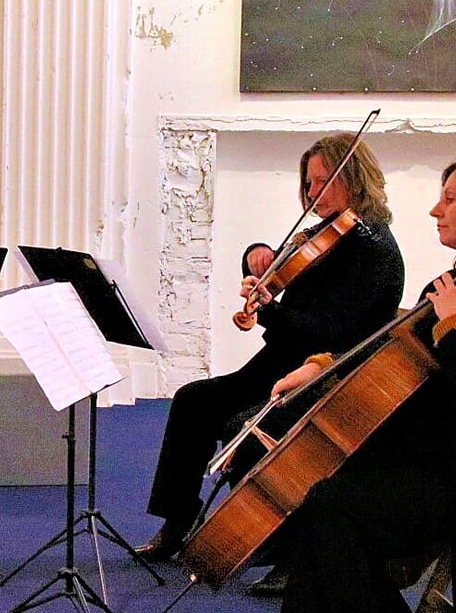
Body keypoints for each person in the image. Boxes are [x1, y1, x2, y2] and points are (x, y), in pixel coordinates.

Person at [136, 134, 405, 585]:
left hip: (327, 372)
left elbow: (331, 331)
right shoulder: (327, 233)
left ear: (355, 180)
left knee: (244, 424)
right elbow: (286, 266)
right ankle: (178, 523)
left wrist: (270, 311)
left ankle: (289, 547)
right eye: (308, 183)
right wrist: (256, 259)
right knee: (192, 401)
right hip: (280, 362)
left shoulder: (372, 248)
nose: (313, 193)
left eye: (324, 181)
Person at [277, 158, 456, 613]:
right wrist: (323, 365)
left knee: (332, 508)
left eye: (450, 199)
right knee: (323, 495)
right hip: (422, 454)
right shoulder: (446, 284)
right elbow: (391, 352)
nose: (435, 210)